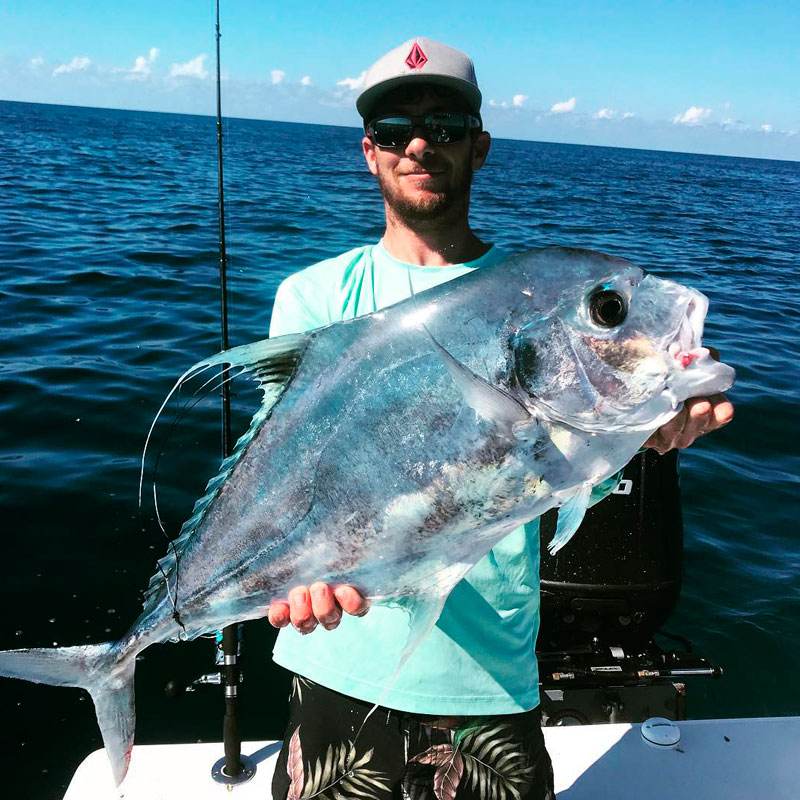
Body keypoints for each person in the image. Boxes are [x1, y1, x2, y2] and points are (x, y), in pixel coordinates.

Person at [265, 38, 733, 800]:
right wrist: (292, 576)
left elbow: (574, 431)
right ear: (369, 152)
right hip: (335, 660)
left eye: (444, 125)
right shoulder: (313, 299)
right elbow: (285, 479)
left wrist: (659, 424)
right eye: (393, 129)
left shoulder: (536, 294)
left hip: (487, 682)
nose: (419, 144)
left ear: (480, 147)